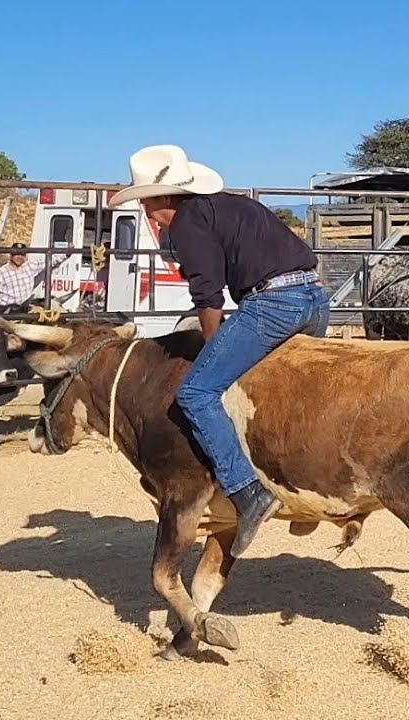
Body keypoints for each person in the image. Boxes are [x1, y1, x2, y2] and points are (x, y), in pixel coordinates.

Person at [107, 144, 329, 558]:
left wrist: (214, 348)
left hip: (273, 304)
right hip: (314, 300)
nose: (147, 212)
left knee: (197, 392)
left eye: (147, 201)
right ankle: (305, 488)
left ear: (165, 198)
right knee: (284, 395)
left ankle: (248, 493)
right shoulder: (232, 207)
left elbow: (208, 298)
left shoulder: (187, 225)